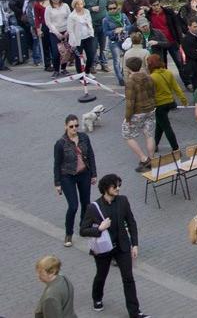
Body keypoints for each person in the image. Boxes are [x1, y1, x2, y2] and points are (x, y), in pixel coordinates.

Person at [83, 174, 144, 317]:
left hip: (122, 247)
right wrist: (99, 229)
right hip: (104, 249)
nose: (118, 188)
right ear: (105, 188)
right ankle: (97, 297)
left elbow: (131, 222)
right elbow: (83, 230)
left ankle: (134, 312)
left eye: (119, 185)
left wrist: (134, 244)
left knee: (128, 278)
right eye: (114, 186)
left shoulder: (123, 201)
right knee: (101, 275)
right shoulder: (94, 207)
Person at [54, 114, 97, 248]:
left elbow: (90, 155)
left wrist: (93, 174)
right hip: (68, 176)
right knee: (73, 206)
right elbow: (57, 164)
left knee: (86, 203)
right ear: (66, 126)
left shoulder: (84, 137)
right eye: (71, 126)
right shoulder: (60, 143)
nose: (74, 128)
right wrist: (57, 183)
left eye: (76, 126)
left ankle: (83, 227)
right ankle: (68, 233)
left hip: (84, 173)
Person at [147, 53, 187, 157]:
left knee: (166, 127)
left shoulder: (152, 77)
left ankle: (176, 149)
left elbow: (150, 94)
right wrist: (183, 100)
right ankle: (155, 144)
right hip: (169, 102)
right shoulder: (168, 73)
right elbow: (176, 88)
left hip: (159, 105)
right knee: (160, 125)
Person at [122, 56, 156, 172]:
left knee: (127, 134)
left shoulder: (130, 81)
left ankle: (144, 159)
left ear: (128, 68)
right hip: (150, 109)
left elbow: (130, 102)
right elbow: (153, 93)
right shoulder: (148, 77)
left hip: (138, 112)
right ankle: (152, 159)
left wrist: (128, 117)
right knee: (149, 134)